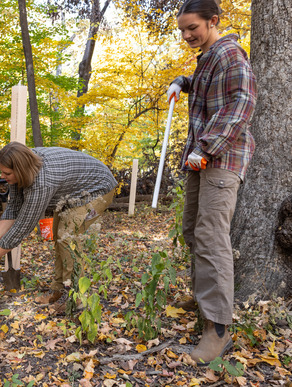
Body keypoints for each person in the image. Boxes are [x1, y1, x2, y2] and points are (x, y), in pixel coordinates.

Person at [166, 0, 256, 365]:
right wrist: (180, 82)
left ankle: (217, 329)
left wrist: (207, 147)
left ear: (213, 21)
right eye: (183, 30)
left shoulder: (230, 53)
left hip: (220, 158)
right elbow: (205, 88)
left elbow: (242, 103)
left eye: (193, 28)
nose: (187, 35)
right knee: (192, 230)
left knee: (211, 236)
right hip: (200, 159)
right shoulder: (208, 58)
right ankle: (205, 298)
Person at [0, 142, 117, 312]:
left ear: (21, 169)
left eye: (7, 173)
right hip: (72, 192)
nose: (3, 176)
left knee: (68, 240)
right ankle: (59, 290)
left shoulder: (42, 182)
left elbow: (22, 227)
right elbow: (15, 205)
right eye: (2, 171)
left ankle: (74, 298)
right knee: (59, 238)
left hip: (97, 190)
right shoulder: (23, 167)